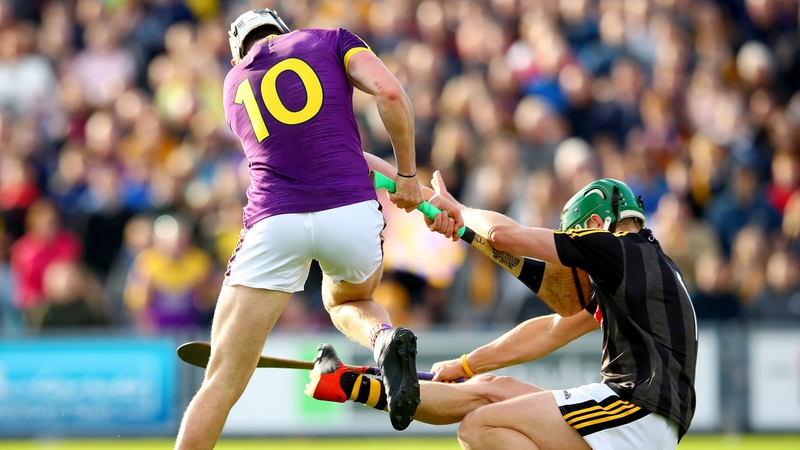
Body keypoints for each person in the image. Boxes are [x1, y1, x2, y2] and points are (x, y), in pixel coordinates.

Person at [175, 9, 463, 449]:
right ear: (287, 33)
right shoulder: (329, 40)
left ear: (238, 57)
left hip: (275, 221)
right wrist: (413, 186)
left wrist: (412, 189)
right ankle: (382, 338)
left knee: (220, 381)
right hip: (351, 214)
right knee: (351, 299)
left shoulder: (233, 84)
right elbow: (388, 93)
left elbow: (301, 158)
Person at [306, 173, 697, 450]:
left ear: (596, 224)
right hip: (644, 420)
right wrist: (465, 366)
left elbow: (503, 236)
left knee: (481, 428)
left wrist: (459, 212)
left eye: (576, 236)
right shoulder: (641, 268)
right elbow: (551, 330)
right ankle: (344, 383)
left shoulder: (615, 249)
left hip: (633, 409)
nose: (574, 271)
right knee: (491, 390)